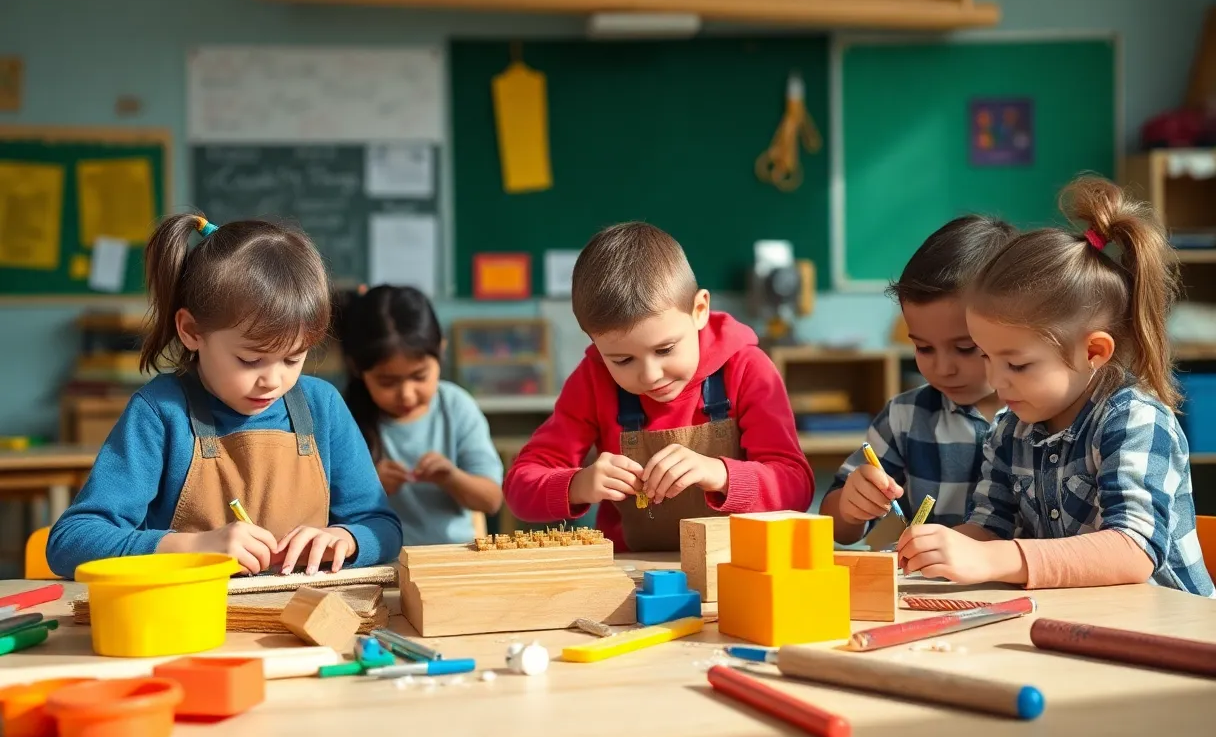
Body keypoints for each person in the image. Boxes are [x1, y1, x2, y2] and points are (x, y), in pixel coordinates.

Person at [898, 176, 1214, 597]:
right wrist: (939, 549)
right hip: (1078, 624)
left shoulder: (1135, 419)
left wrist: (994, 558)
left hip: (1168, 637)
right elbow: (992, 528)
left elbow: (1133, 550)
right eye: (987, 357)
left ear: (1094, 352)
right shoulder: (1012, 428)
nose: (995, 380)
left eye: (1018, 364)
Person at [47, 214, 403, 579]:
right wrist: (193, 547)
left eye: (294, 358)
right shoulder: (160, 412)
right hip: (192, 622)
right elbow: (71, 542)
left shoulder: (322, 406)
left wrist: (346, 537)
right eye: (250, 360)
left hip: (304, 620)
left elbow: (381, 526)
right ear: (190, 331)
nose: (273, 380)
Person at [504, 222, 813, 552]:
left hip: (737, 569)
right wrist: (577, 485)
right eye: (623, 360)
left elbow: (795, 487)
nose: (650, 375)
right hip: (632, 573)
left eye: (665, 350)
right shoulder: (593, 379)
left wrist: (719, 474)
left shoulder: (748, 369)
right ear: (594, 342)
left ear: (699, 310)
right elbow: (519, 489)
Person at [822, 216, 1016, 545]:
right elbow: (834, 524)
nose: (942, 368)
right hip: (932, 591)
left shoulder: (1046, 417)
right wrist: (851, 505)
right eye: (923, 347)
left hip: (1031, 588)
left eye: (966, 348)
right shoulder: (905, 417)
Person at [335, 285, 503, 545]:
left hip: (452, 557)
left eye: (419, 376)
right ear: (357, 368)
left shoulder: (456, 407)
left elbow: (491, 499)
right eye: (387, 382)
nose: (407, 395)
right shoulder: (342, 417)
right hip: (380, 562)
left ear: (441, 350)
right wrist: (370, 488)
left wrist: (452, 478)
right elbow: (324, 511)